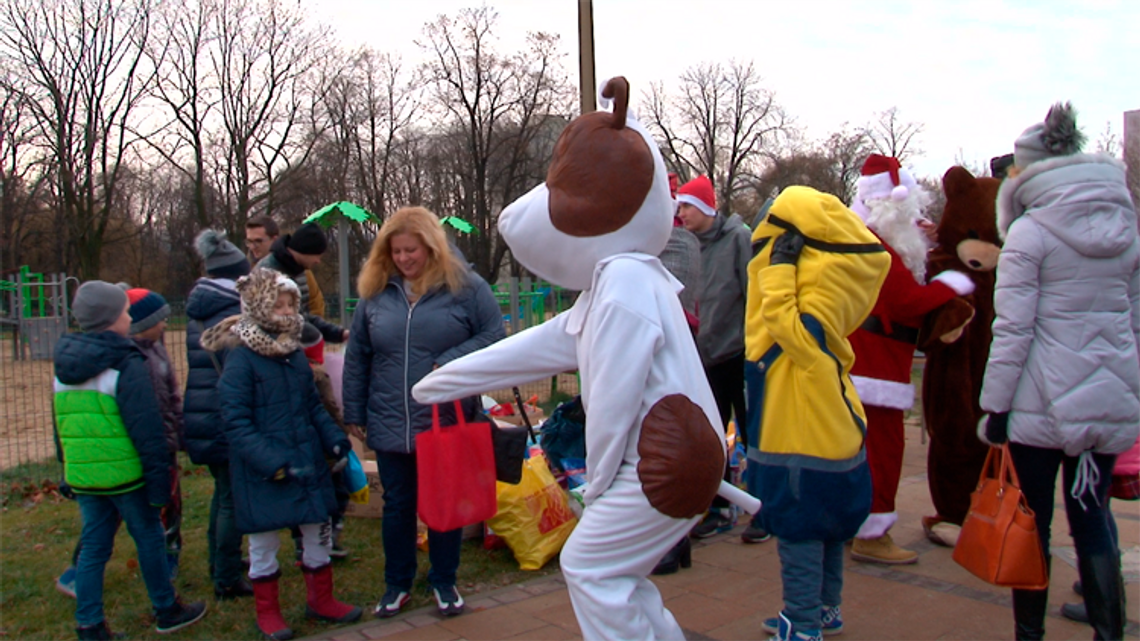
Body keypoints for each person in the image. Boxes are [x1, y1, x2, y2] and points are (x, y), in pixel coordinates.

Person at [413, 77, 736, 641]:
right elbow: (547, 343)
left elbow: (613, 397)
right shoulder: (619, 281)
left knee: (590, 564)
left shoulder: (624, 283)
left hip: (662, 465)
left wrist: (601, 480)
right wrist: (448, 380)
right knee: (618, 572)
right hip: (676, 460)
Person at [979, 102, 1140, 641]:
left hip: (1039, 407)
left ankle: (1030, 636)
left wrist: (995, 408)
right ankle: (1110, 632)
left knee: (1033, 527)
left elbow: (1014, 331)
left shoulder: (1030, 232)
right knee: (1093, 519)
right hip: (1107, 400)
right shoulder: (1127, 227)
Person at [341, 206, 505, 619]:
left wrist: (450, 359)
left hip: (444, 420)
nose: (404, 259)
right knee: (398, 505)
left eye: (411, 251)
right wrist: (354, 410)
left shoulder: (466, 287)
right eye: (396, 252)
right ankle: (396, 584)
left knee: (443, 501)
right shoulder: (377, 293)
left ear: (431, 248)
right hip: (389, 418)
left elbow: (493, 335)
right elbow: (358, 355)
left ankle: (444, 580)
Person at [746, 187, 890, 641]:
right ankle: (826, 610)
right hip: (834, 438)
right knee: (827, 529)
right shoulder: (830, 324)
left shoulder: (807, 336)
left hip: (800, 443)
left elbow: (780, 319)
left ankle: (802, 623)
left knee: (800, 533)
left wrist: (778, 270)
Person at [203, 268, 362, 640]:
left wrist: (334, 440)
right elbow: (236, 421)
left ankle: (321, 600)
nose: (288, 311)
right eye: (279, 304)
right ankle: (268, 613)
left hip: (306, 462)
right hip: (265, 471)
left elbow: (312, 407)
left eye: (292, 303)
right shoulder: (241, 360)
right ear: (258, 307)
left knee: (317, 533)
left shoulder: (292, 355)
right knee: (264, 543)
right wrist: (269, 462)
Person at [54, 281, 207, 640]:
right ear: (111, 318)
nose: (129, 317)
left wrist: (66, 470)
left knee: (94, 546)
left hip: (86, 476)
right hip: (126, 474)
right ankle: (166, 608)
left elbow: (59, 425)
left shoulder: (63, 365)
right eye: (124, 311)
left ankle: (89, 624)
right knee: (150, 538)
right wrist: (158, 482)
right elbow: (146, 427)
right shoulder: (127, 362)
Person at [846, 155, 976, 565]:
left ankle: (858, 524)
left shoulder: (870, 239)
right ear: (891, 205)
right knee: (884, 451)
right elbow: (906, 301)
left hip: (872, 361)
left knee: (864, 450)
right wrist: (951, 284)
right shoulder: (878, 248)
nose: (915, 216)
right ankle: (872, 533)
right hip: (877, 365)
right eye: (910, 209)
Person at [675, 174, 760, 541]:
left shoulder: (738, 239)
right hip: (704, 353)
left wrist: (753, 346)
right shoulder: (689, 246)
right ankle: (722, 507)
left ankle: (763, 507)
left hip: (738, 353)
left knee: (752, 430)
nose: (682, 213)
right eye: (679, 206)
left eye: (687, 206)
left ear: (707, 208)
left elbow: (753, 292)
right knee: (712, 435)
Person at [183, 229, 254, 600]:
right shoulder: (231, 314)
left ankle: (218, 560)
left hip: (202, 414)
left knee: (221, 493)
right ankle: (226, 575)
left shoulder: (199, 309)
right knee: (232, 498)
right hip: (225, 414)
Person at [300, 323, 353, 560]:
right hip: (326, 447)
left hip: (303, 448)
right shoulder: (319, 376)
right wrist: (342, 432)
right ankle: (329, 538)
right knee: (336, 492)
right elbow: (330, 407)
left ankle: (301, 544)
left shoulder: (292, 371)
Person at [257, 221, 346, 344]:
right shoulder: (268, 274)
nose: (318, 261)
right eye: (317, 255)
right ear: (306, 250)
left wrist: (337, 333)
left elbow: (302, 315)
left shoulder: (298, 269)